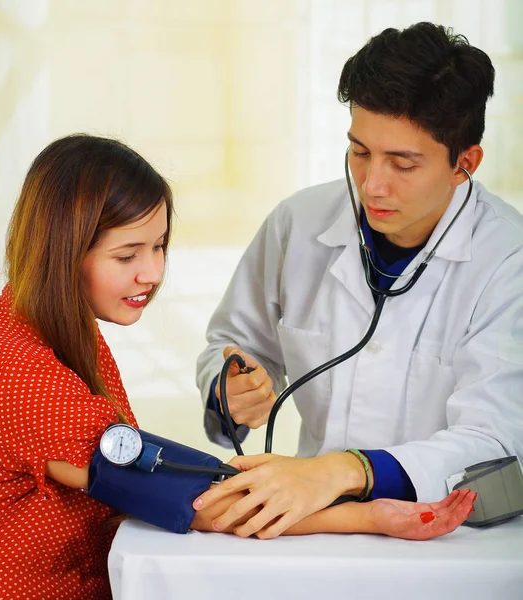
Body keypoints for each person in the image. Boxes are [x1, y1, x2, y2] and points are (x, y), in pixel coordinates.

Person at [0, 134, 476, 599]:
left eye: (159, 246)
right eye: (127, 254)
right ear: (61, 252)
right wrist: (370, 518)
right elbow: (183, 495)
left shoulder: (46, 326)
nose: (153, 273)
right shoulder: (21, 372)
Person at [194, 22, 523, 539]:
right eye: (360, 151)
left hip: (454, 540)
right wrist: (231, 389)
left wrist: (342, 469)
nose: (372, 184)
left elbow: (495, 438)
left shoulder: (510, 259)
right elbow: (233, 342)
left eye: (403, 163)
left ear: (465, 164)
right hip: (311, 521)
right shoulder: (298, 223)